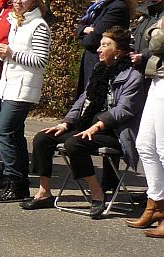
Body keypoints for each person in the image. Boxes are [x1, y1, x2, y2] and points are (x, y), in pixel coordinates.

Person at [22, 26, 144, 218]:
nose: (99, 49)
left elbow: (125, 109)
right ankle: (44, 192)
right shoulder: (99, 71)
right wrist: (66, 123)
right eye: (100, 44)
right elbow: (83, 100)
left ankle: (97, 193)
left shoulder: (132, 76)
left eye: (105, 45)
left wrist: (98, 126)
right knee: (43, 138)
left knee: (74, 144)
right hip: (89, 127)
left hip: (115, 133)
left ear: (118, 51)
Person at [0, 0, 52, 202]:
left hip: (23, 88)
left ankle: (13, 180)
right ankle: (20, 184)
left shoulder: (38, 26)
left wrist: (11, 53)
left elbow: (41, 60)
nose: (18, 2)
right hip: (9, 85)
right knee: (14, 134)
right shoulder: (17, 23)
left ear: (34, 1)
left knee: (3, 132)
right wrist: (3, 54)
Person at [127, 0, 164, 233]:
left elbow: (157, 44)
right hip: (156, 78)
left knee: (163, 147)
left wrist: (153, 31)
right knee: (145, 144)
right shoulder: (154, 13)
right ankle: (155, 204)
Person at [74, 0, 136, 97]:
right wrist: (83, 30)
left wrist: (84, 33)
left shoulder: (117, 7)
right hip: (93, 63)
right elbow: (79, 27)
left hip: (102, 64)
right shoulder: (99, 6)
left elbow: (92, 41)